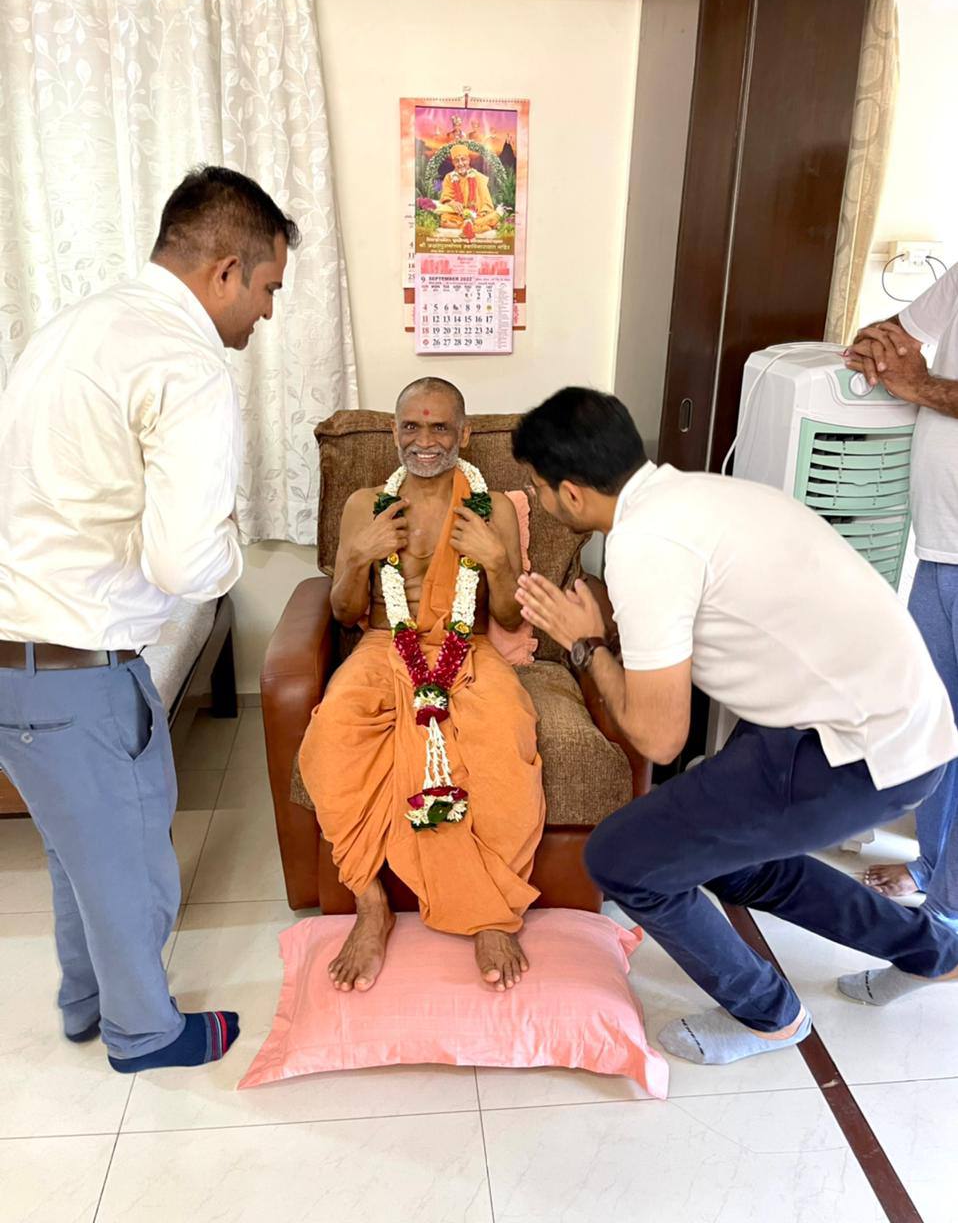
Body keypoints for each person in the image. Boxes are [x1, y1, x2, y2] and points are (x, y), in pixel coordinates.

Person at [512, 387, 958, 1066]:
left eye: (538, 489)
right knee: (737, 861)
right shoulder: (705, 494)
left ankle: (768, 1015)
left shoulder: (644, 544)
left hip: (857, 753)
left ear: (570, 494)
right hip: (903, 725)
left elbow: (659, 737)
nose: (539, 501)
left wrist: (585, 644)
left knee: (622, 861)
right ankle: (932, 952)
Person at [0, 165, 297, 1073]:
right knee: (132, 865)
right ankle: (144, 1033)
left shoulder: (70, 330)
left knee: (75, 850)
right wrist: (229, 541)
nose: (268, 313)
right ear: (226, 270)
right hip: (80, 669)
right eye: (268, 288)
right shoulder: (186, 363)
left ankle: (86, 1002)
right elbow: (184, 564)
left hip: (16, 660)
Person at [299, 378, 545, 994]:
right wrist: (358, 556)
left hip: (469, 649)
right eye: (411, 426)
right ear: (394, 431)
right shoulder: (365, 505)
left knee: (508, 735)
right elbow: (345, 611)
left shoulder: (491, 508)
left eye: (440, 427)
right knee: (331, 735)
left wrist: (497, 559)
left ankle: (489, 913)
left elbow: (508, 616)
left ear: (465, 433)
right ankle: (371, 905)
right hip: (385, 645)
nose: (425, 440)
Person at [843, 265, 958, 935]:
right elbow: (891, 335)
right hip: (939, 544)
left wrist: (920, 385)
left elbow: (915, 376)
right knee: (934, 728)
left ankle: (947, 922)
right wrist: (878, 349)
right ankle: (934, 867)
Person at [438, 145, 501, 237]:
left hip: (476, 214)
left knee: (494, 216)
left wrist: (482, 213)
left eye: (463, 159)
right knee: (444, 220)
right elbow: (445, 197)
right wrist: (452, 202)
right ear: (453, 162)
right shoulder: (449, 177)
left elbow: (486, 202)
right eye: (457, 161)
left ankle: (470, 225)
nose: (460, 163)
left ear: (468, 160)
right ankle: (478, 226)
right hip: (458, 214)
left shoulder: (478, 177)